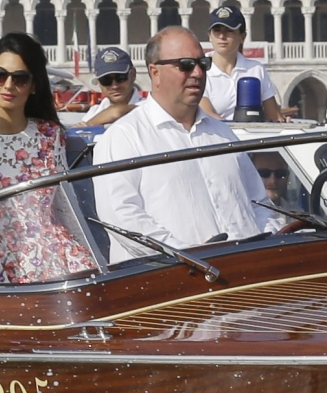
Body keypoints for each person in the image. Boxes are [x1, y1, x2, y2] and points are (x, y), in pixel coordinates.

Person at [94, 26, 271, 258]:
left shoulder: (223, 134)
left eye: (203, 64)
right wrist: (186, 255)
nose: (197, 73)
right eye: (186, 65)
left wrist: (271, 239)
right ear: (155, 72)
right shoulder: (123, 138)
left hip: (246, 273)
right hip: (174, 281)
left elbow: (260, 203)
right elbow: (122, 218)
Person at [0, 33, 97, 284]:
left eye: (19, 78)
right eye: (0, 75)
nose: (8, 85)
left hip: (59, 257)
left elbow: (65, 207)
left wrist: (93, 255)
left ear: (33, 85)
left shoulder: (50, 135)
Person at [197, 6, 287, 122]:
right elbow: (208, 115)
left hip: (252, 137)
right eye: (217, 30)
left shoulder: (256, 69)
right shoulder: (201, 68)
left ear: (242, 36)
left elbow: (274, 117)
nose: (222, 36)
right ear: (210, 36)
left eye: (229, 30)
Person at [81, 46, 142, 126]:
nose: (114, 86)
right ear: (98, 81)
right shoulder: (93, 112)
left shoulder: (148, 106)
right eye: (106, 80)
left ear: (133, 74)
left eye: (120, 77)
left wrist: (89, 125)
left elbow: (116, 112)